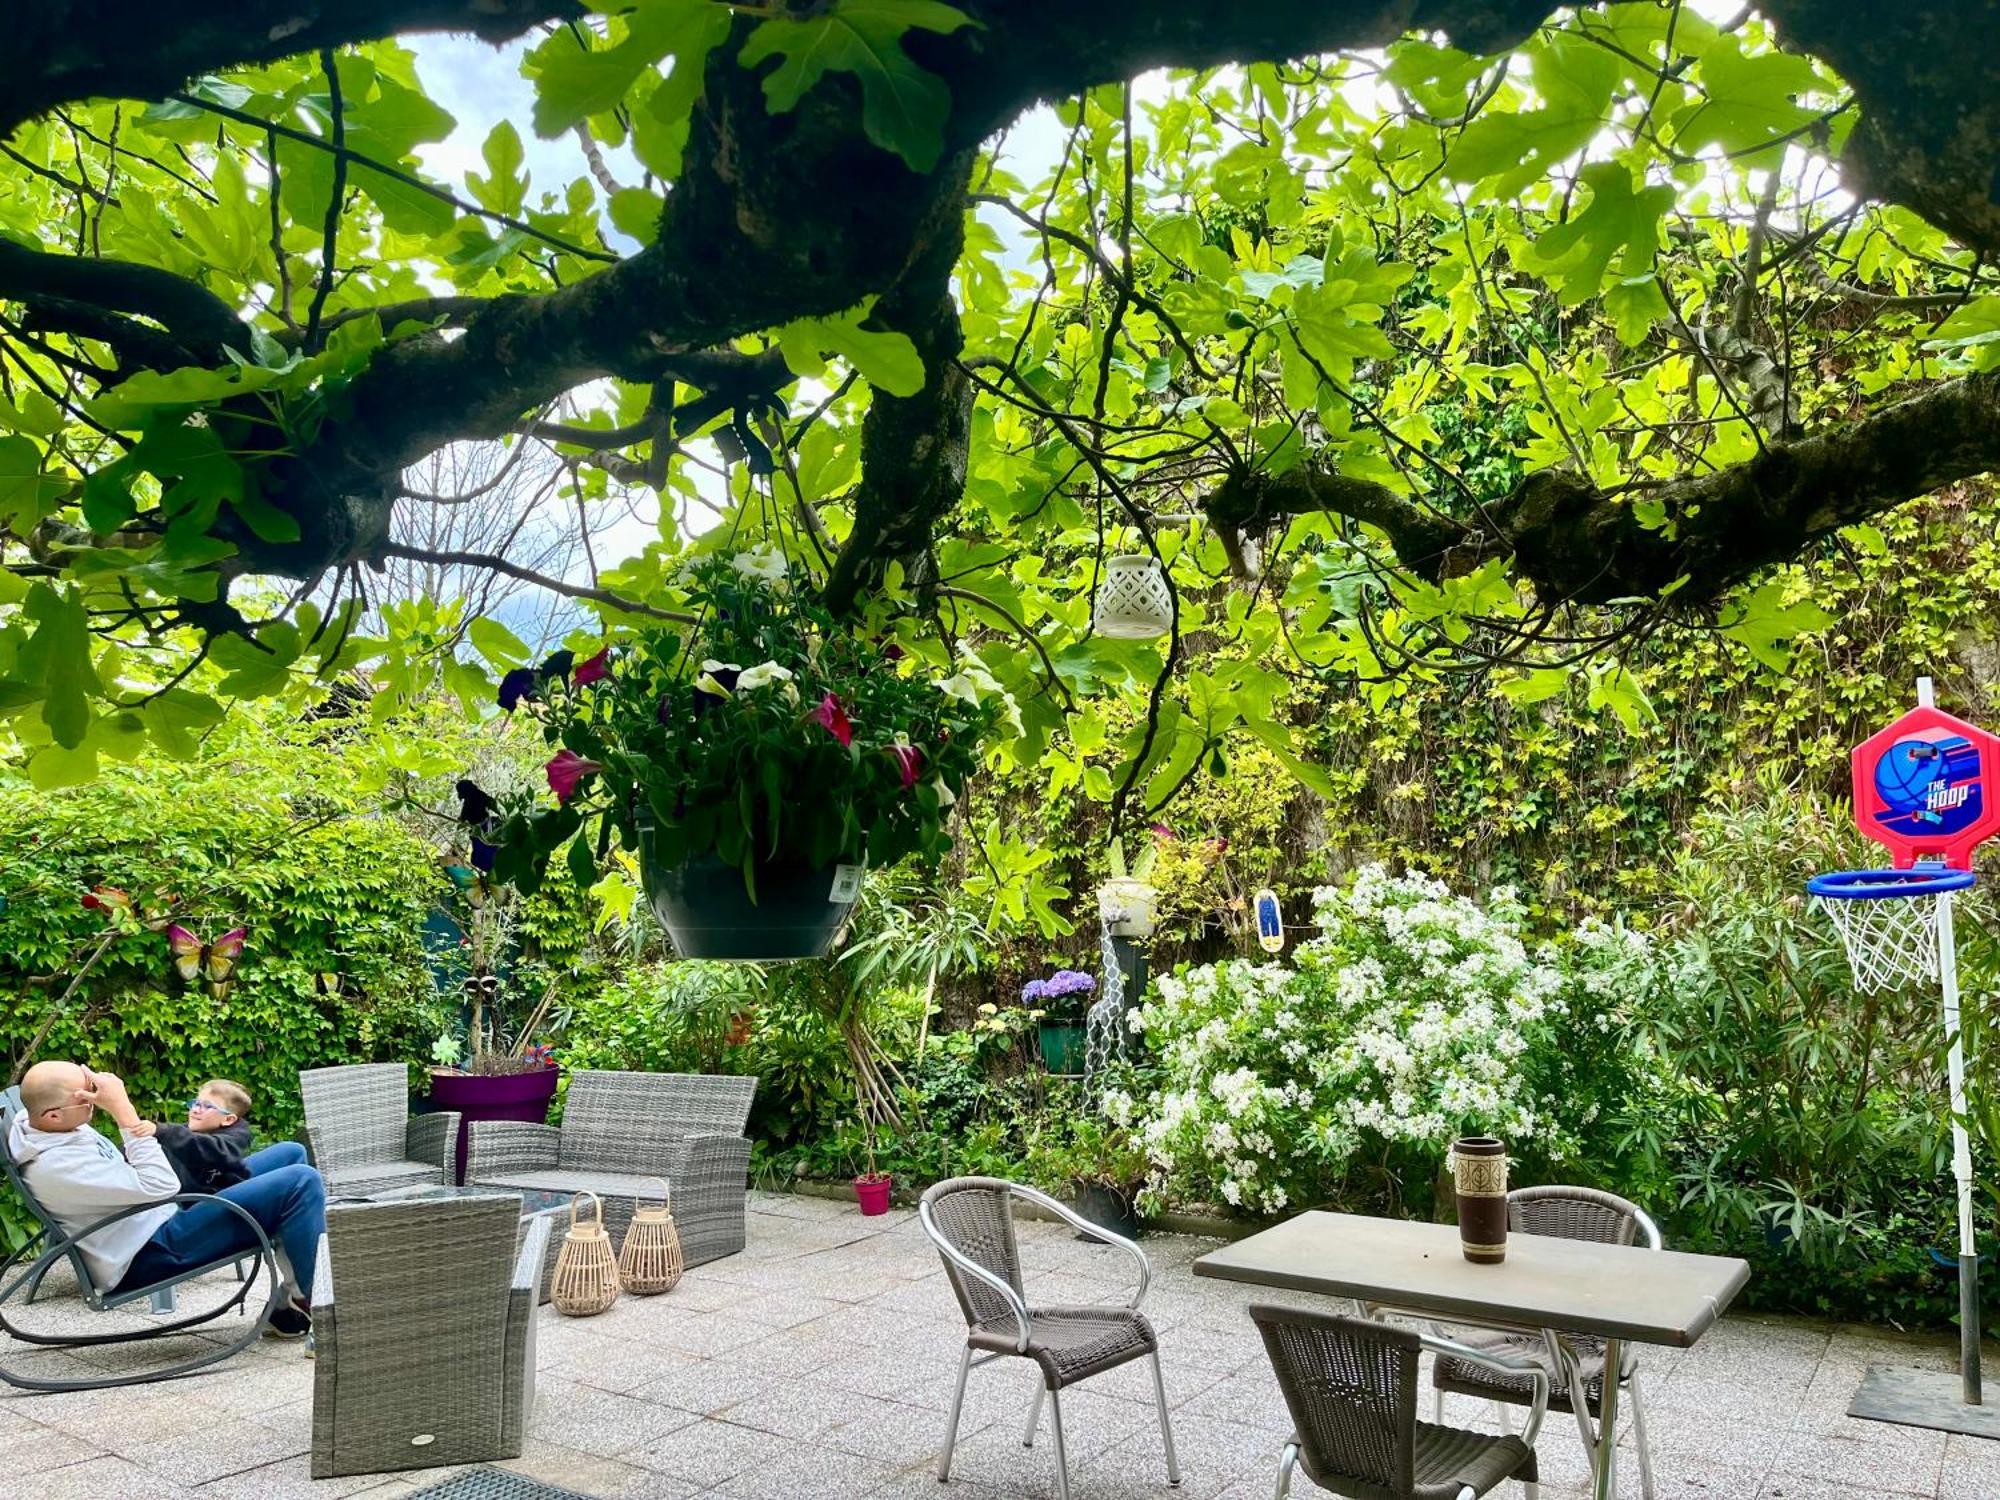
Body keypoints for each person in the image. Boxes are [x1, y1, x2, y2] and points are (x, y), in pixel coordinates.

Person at [7, 1061, 323, 1340]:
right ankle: (318, 1309)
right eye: (85, 1098)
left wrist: (85, 1084)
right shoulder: (57, 1166)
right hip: (150, 1250)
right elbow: (162, 1186)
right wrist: (124, 1113)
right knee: (300, 1182)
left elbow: (42, 1095)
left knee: (290, 1153)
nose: (94, 1099)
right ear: (52, 1115)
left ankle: (290, 1305)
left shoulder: (44, 1124)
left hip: (159, 1217)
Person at [152, 1078, 255, 1195]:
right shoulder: (191, 1131)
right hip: (199, 1201)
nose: (195, 1110)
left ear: (228, 1119)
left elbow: (212, 1149)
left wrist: (165, 1132)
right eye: (196, 1103)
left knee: (281, 1158)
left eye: (207, 1106)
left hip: (220, 1196)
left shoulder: (232, 1138)